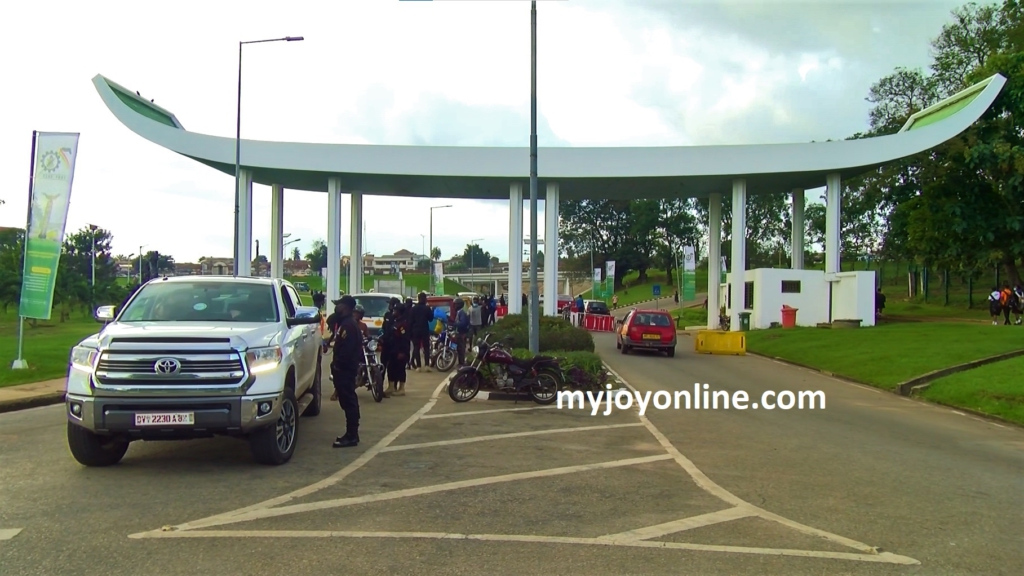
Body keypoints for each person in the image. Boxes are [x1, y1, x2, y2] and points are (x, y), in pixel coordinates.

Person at [330, 295, 361, 448]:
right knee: (348, 401)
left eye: (339, 305)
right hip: (344, 369)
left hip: (345, 370)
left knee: (349, 402)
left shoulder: (348, 325)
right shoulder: (345, 323)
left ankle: (352, 435)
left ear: (346, 307)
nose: (337, 307)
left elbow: (347, 350)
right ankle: (352, 433)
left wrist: (338, 365)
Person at [384, 304, 411, 396]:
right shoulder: (395, 322)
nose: (393, 312)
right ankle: (391, 387)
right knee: (391, 368)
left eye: (395, 310)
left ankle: (401, 388)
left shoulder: (403, 324)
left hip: (400, 350)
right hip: (393, 349)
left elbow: (404, 339)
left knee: (400, 369)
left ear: (399, 312)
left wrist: (402, 352)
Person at [409, 292, 433, 372]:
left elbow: (411, 321)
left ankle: (418, 366)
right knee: (426, 347)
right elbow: (430, 319)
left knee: (416, 347)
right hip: (424, 329)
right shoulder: (427, 308)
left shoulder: (413, 309)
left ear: (418, 298)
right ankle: (426, 365)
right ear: (425, 299)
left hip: (415, 330)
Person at [453, 299, 470, 366]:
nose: (454, 306)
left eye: (455, 304)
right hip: (459, 333)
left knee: (461, 348)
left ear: (459, 305)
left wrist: (454, 324)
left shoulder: (462, 313)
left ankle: (462, 363)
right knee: (459, 348)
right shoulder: (459, 312)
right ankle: (460, 362)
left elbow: (462, 323)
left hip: (461, 333)